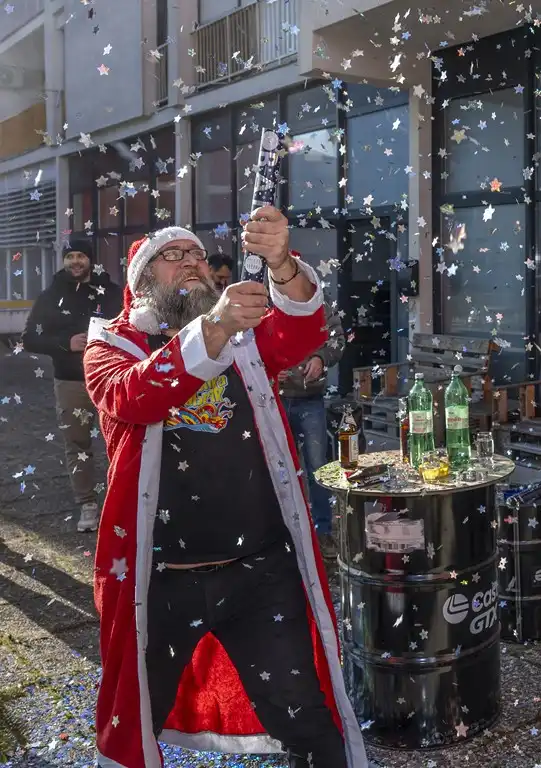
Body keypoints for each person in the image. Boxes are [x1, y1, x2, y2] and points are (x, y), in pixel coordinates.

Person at [83, 207, 368, 768]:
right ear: (140, 281)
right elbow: (138, 396)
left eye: (196, 254)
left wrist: (281, 262)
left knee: (305, 716)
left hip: (260, 573)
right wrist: (214, 327)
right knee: (133, 716)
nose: (190, 262)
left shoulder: (246, 338)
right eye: (173, 255)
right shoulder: (110, 347)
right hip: (162, 581)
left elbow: (302, 333)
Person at [22, 240, 122, 533]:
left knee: (121, 442)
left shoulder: (112, 293)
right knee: (77, 444)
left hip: (109, 379)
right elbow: (29, 338)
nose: (75, 262)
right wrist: (64, 344)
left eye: (80, 256)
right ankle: (87, 503)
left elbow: (129, 326)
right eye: (70, 257)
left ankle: (121, 502)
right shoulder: (50, 296)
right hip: (70, 382)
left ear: (90, 259)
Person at [279, 301, 345, 560]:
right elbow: (244, 343)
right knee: (279, 466)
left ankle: (322, 531)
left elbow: (337, 340)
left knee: (317, 467)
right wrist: (266, 366)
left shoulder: (318, 304)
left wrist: (320, 358)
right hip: (273, 398)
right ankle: (284, 535)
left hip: (310, 399)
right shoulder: (262, 302)